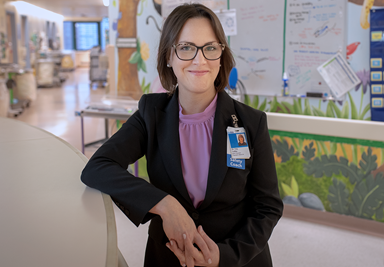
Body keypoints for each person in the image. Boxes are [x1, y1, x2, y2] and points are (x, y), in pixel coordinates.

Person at [81, 3, 283, 267]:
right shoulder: (151, 113)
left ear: (221, 56)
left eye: (210, 48)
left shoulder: (250, 122)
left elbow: (267, 206)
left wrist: (225, 255)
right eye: (186, 48)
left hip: (236, 259)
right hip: (167, 256)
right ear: (169, 56)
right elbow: (97, 167)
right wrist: (164, 204)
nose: (200, 60)